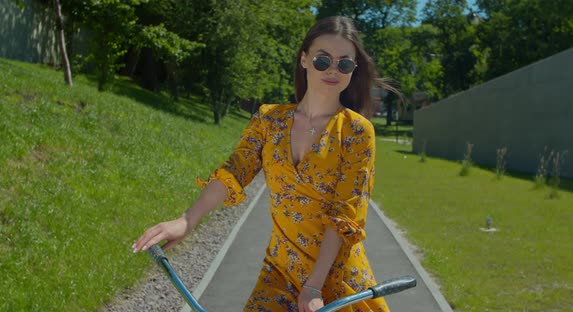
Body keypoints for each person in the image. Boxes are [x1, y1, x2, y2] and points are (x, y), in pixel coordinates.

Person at [133, 16, 396, 312]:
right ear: (304, 59)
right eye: (323, 61)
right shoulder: (269, 120)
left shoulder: (357, 131)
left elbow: (345, 217)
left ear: (352, 70)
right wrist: (186, 220)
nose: (333, 70)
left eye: (344, 64)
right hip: (279, 272)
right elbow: (235, 170)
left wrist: (313, 286)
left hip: (335, 277)